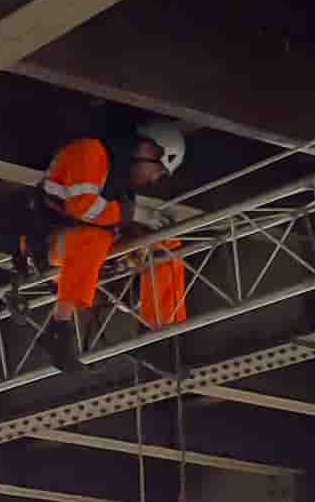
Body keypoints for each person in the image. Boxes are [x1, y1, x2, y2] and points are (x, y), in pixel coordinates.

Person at [24, 117, 190, 359]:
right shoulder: (90, 151)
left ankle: (160, 334)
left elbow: (111, 218)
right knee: (94, 239)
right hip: (49, 241)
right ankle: (59, 325)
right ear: (149, 149)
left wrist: (138, 231)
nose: (155, 179)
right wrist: (135, 214)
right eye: (159, 170)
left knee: (166, 242)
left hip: (84, 240)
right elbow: (82, 207)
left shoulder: (120, 181)